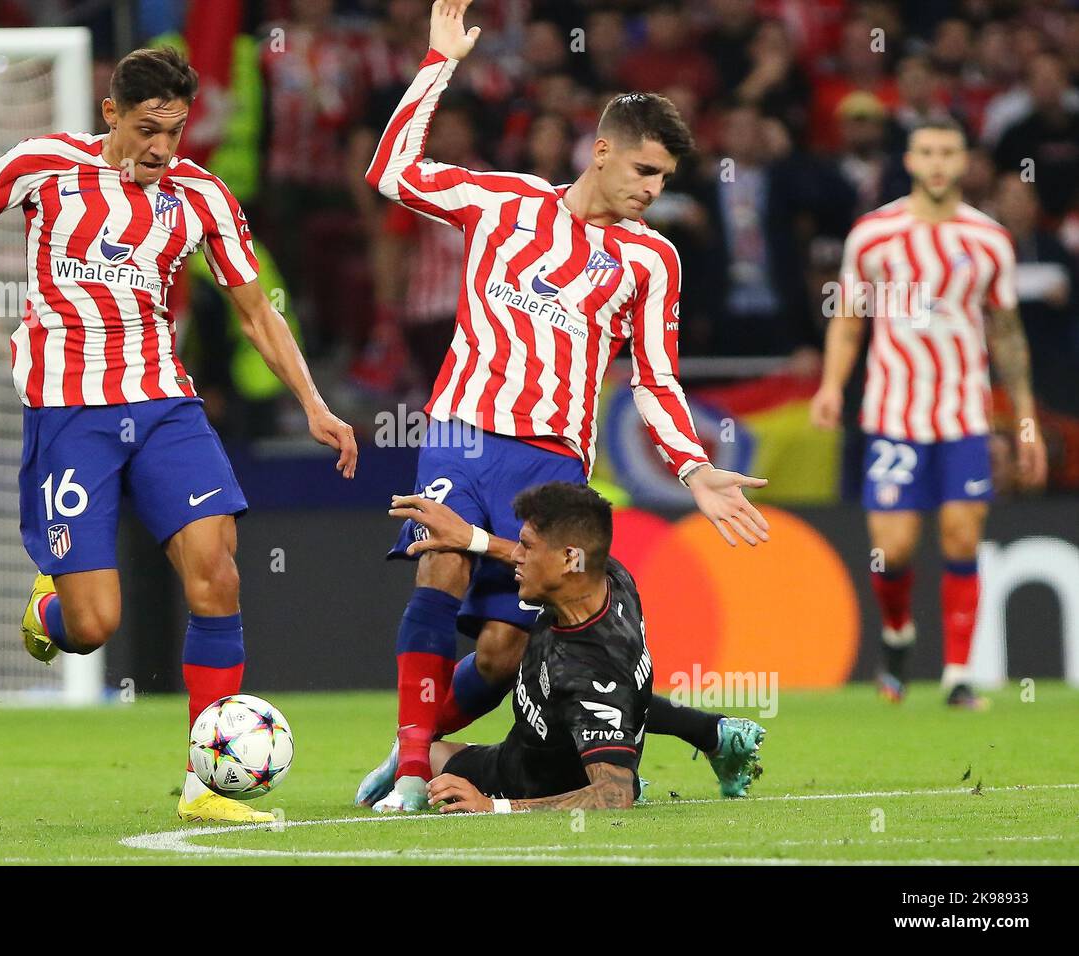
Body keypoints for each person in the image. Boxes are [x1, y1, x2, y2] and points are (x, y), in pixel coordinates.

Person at [0, 47, 357, 821]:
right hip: (70, 412)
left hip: (164, 403)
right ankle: (49, 614)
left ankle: (208, 784)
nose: (162, 149)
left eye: (174, 130)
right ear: (111, 115)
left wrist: (312, 401)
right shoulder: (43, 165)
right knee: (94, 623)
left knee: (219, 573)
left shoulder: (200, 196)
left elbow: (255, 309)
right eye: (147, 129)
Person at [361, 0, 770, 812]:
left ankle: (419, 745)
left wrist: (691, 468)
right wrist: (438, 64)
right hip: (462, 434)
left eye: (665, 180)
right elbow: (391, 173)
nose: (654, 191)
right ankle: (412, 772)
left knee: (510, 651)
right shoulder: (505, 203)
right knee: (439, 564)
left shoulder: (652, 261)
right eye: (645, 172)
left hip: (551, 461)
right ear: (604, 149)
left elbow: (655, 378)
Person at [810, 118, 1047, 709]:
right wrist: (832, 385)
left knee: (963, 537)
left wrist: (1024, 420)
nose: (937, 162)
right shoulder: (873, 233)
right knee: (892, 549)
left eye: (948, 151)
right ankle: (896, 636)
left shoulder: (989, 239)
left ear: (964, 161)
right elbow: (849, 318)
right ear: (911, 161)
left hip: (964, 414)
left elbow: (1008, 335)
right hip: (893, 413)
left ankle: (958, 676)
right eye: (927, 152)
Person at [401, 481, 763, 813]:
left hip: (526, 785)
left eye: (526, 547)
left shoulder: (590, 668)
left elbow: (612, 796)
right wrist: (471, 539)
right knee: (411, 757)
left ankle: (707, 735)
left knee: (417, 767)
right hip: (523, 751)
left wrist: (495, 807)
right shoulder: (608, 577)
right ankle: (713, 733)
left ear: (570, 560)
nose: (516, 556)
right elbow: (623, 695)